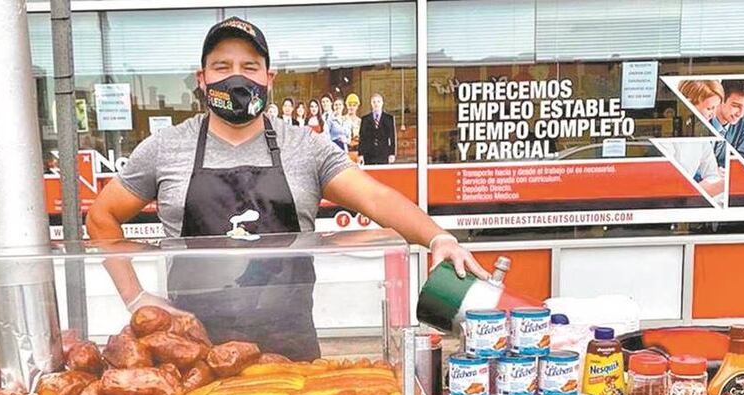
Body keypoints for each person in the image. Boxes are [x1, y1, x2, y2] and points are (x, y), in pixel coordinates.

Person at [85, 16, 486, 361]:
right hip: (192, 350)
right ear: (202, 79)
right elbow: (102, 217)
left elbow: (377, 198)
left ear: (269, 78)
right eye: (222, 66)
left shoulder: (305, 147)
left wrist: (438, 238)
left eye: (250, 66)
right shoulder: (165, 148)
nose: (236, 76)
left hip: (291, 347)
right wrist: (136, 298)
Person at [710, 78, 744, 167]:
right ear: (720, 99)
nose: (741, 113)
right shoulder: (703, 115)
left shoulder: (742, 117)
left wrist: (723, 171)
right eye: (736, 106)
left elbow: (743, 157)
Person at [358, 93, 396, 165]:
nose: (376, 104)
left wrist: (392, 153)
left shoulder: (389, 118)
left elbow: (392, 137)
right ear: (371, 103)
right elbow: (362, 138)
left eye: (378, 101)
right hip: (368, 153)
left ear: (382, 103)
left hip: (383, 152)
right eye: (374, 102)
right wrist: (360, 154)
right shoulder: (365, 119)